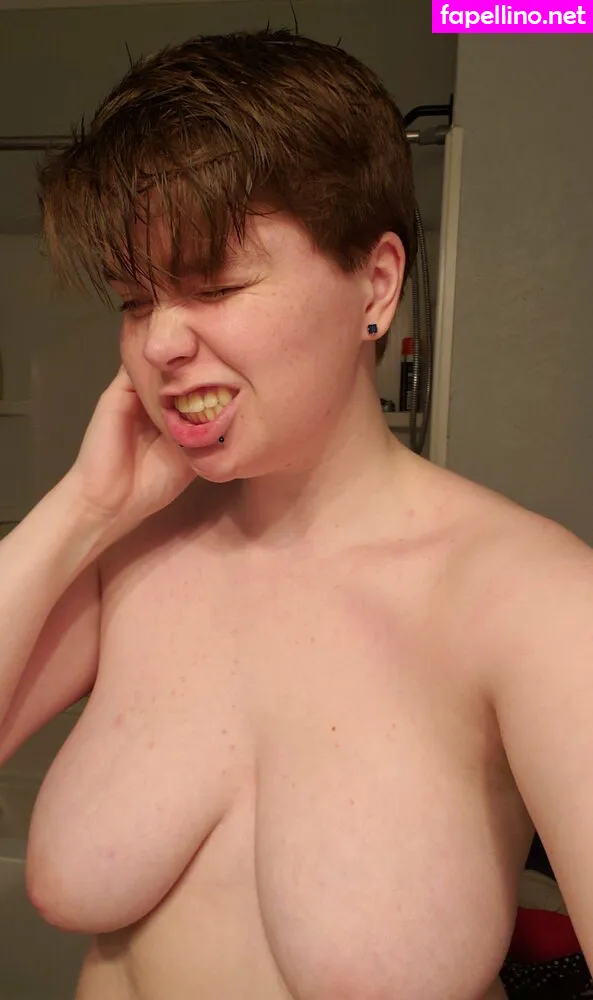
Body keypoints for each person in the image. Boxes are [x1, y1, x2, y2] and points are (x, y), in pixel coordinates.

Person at [0, 27, 591, 1000]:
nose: (160, 343)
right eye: (135, 300)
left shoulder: (532, 600)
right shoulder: (130, 552)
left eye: (216, 285)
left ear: (375, 283)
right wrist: (82, 509)